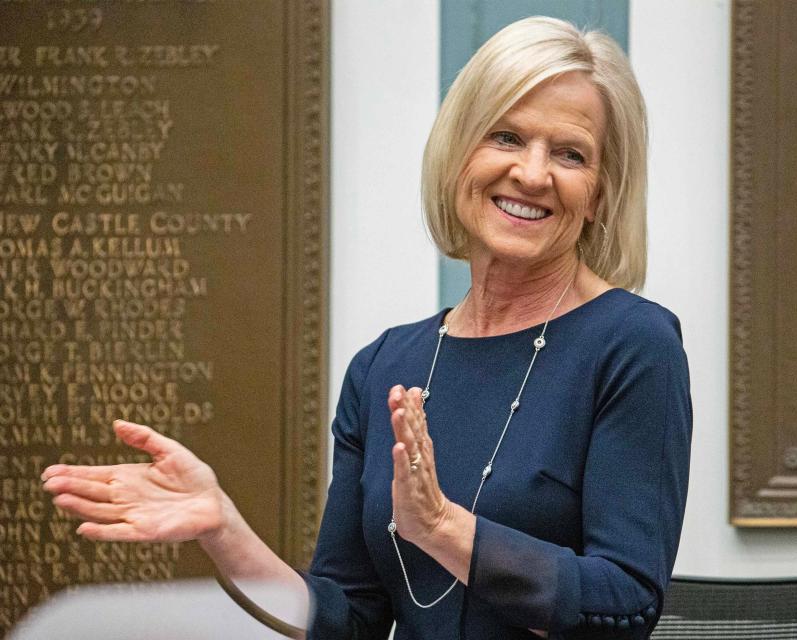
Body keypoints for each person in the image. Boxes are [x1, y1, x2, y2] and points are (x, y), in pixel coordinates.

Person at [41, 16, 692, 640]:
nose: (531, 172)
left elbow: (627, 605)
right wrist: (224, 530)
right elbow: (345, 619)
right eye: (506, 137)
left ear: (602, 193)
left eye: (570, 153)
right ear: (459, 152)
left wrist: (442, 529)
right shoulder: (385, 365)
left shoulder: (634, 346)